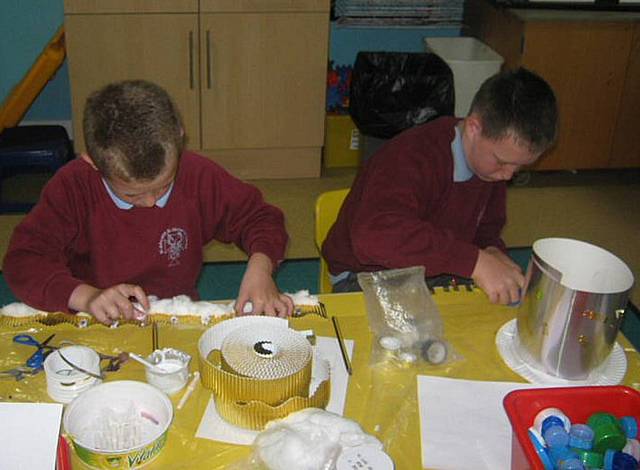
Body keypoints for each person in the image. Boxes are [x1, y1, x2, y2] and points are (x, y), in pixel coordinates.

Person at [3, 79, 294, 324]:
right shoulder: (73, 187)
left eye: (164, 186)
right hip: (93, 317)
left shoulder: (197, 174)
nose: (152, 202)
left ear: (179, 138)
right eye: (132, 195)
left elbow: (260, 218)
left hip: (175, 313)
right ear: (92, 162)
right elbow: (23, 261)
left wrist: (261, 269)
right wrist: (87, 296)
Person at [322, 67, 558, 305]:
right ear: (474, 128)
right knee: (425, 339)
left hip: (434, 269)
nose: (508, 175)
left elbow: (485, 228)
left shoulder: (490, 169)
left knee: (502, 310)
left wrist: (491, 251)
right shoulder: (410, 157)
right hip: (366, 273)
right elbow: (373, 238)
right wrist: (476, 261)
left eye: (518, 168)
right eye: (502, 162)